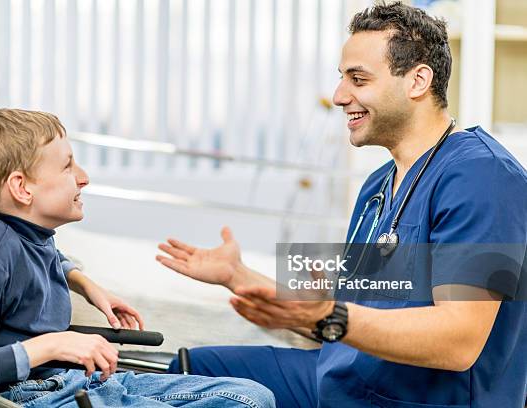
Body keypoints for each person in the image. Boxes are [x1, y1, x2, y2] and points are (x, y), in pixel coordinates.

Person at [157, 2, 527, 407]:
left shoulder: (483, 176)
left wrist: (327, 316)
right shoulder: (376, 188)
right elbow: (343, 307)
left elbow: (460, 342)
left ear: (418, 80)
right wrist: (241, 276)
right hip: (345, 375)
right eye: (341, 79)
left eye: (358, 79)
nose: (338, 96)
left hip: (412, 398)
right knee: (190, 373)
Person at [0, 109, 275, 408]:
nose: (84, 178)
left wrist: (86, 284)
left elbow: (48, 258)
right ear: (22, 188)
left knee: (252, 397)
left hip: (75, 382)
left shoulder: (22, 235)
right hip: (32, 395)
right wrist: (54, 344)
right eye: (67, 166)